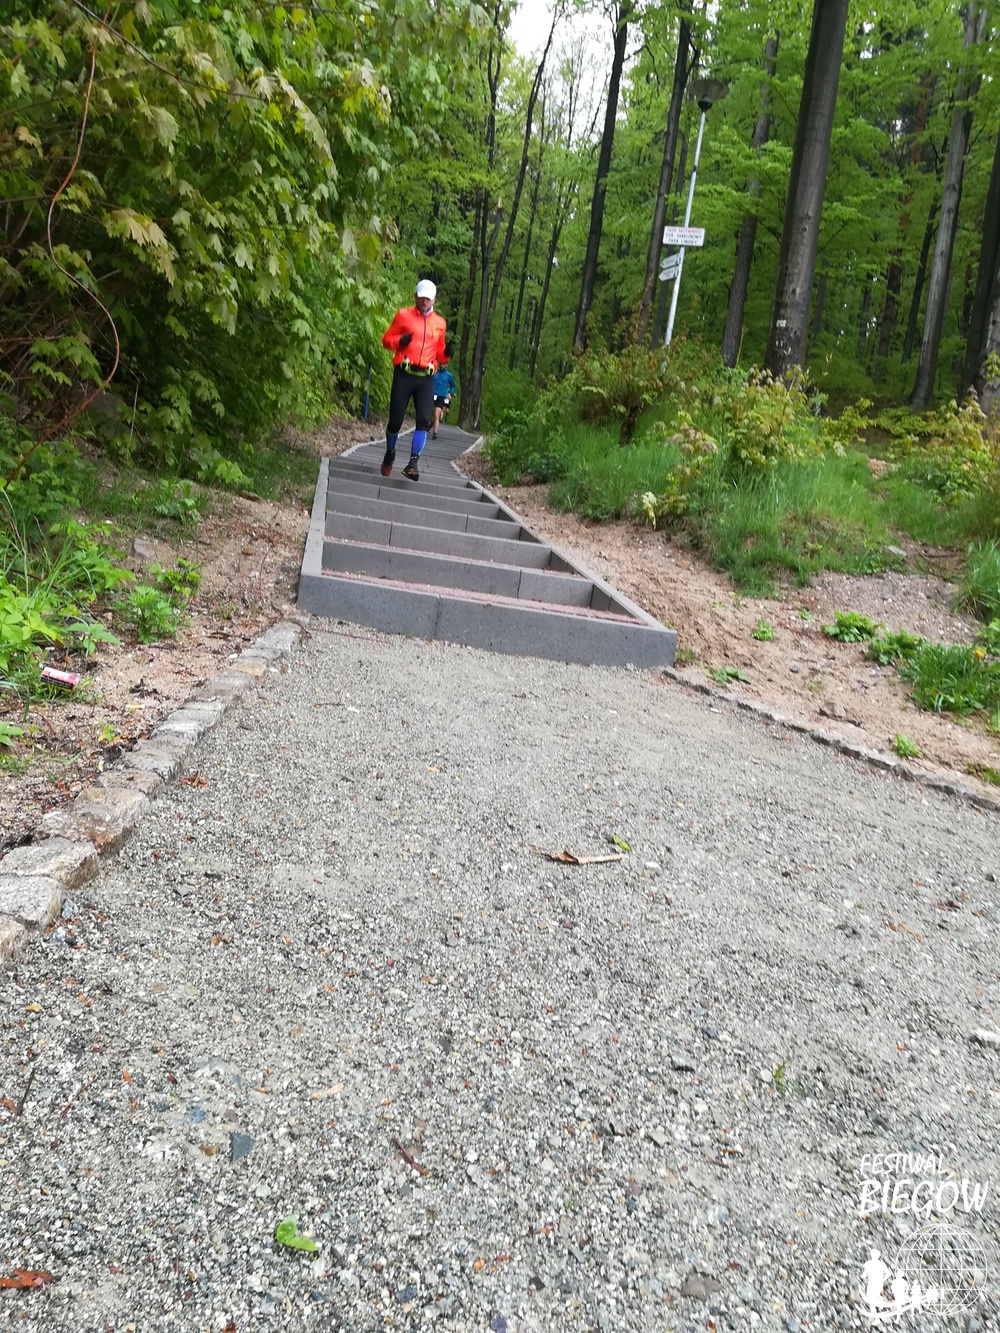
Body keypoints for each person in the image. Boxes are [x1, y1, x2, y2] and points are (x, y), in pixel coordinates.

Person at [380, 279, 453, 481]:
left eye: (428, 299)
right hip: (404, 374)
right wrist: (399, 341)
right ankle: (390, 453)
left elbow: (440, 354)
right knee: (395, 421)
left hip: (426, 378)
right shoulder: (403, 315)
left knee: (423, 420)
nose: (424, 302)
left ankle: (413, 463)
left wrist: (447, 353)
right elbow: (386, 340)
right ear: (415, 297)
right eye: (421, 298)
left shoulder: (440, 323)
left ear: (434, 300)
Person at [432, 365, 457, 439]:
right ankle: (430, 424)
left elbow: (453, 386)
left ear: (446, 365)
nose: (443, 365)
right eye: (442, 363)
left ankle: (434, 433)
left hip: (441, 396)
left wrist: (450, 393)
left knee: (437, 414)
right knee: (429, 413)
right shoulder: (435, 372)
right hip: (432, 394)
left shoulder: (448, 375)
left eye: (444, 364)